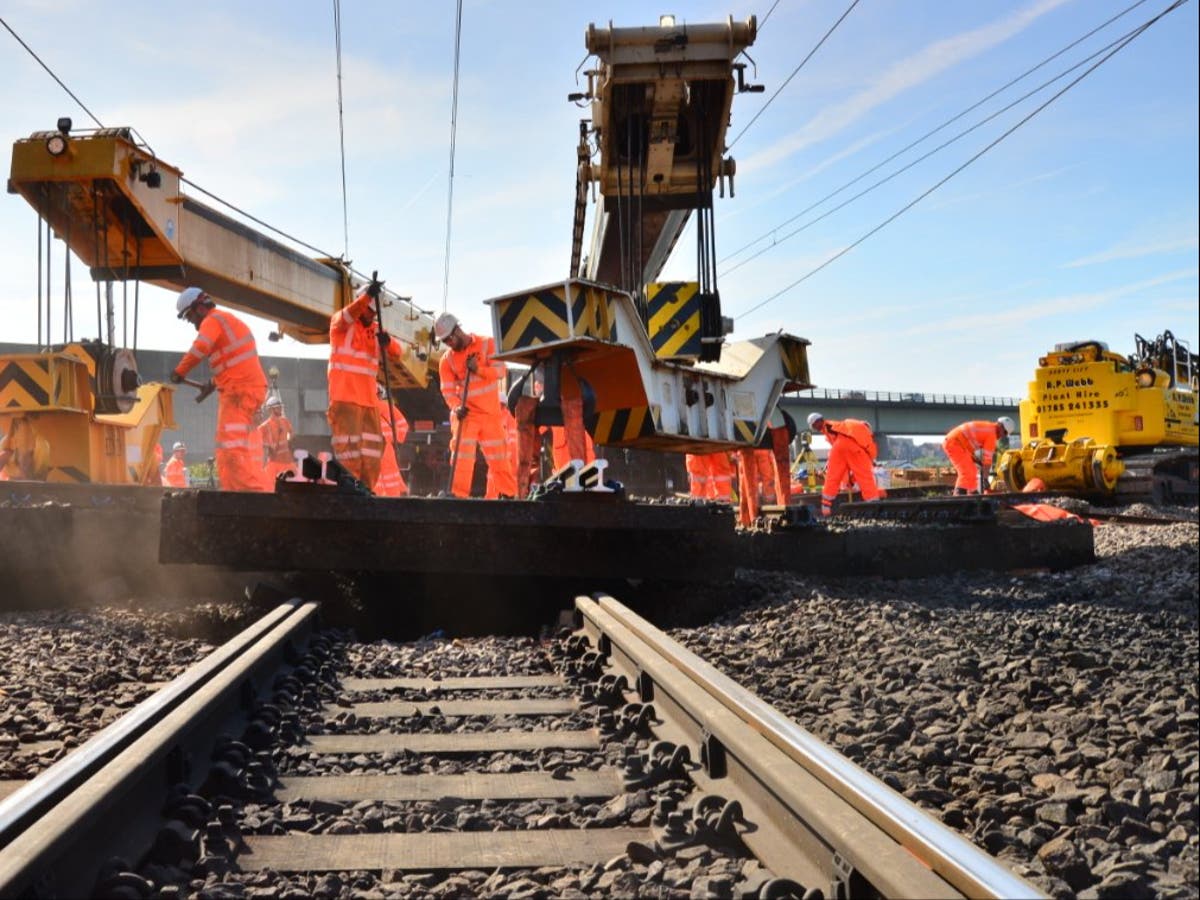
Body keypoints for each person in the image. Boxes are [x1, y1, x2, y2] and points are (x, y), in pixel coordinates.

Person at [170, 287, 269, 491]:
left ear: (198, 308)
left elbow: (201, 347)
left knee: (230, 450)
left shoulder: (212, 320)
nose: (191, 322)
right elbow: (231, 362)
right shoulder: (225, 321)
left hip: (239, 392)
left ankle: (250, 497)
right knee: (229, 450)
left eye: (189, 316)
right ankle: (237, 495)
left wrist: (180, 371)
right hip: (243, 389)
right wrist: (212, 383)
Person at [327, 283, 404, 489]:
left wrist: (387, 343)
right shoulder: (340, 325)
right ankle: (349, 491)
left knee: (372, 452)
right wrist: (367, 297)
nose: (371, 316)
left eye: (373, 312)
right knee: (349, 450)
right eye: (368, 310)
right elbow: (348, 314)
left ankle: (366, 491)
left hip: (369, 402)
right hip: (345, 398)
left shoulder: (376, 332)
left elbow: (398, 353)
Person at [435, 312, 517, 498]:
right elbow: (447, 391)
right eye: (445, 341)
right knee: (462, 458)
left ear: (457, 330)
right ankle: (458, 496)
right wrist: (456, 407)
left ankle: (508, 494)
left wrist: (478, 369)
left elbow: (500, 371)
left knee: (500, 458)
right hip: (467, 414)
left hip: (491, 415)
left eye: (449, 339)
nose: (448, 343)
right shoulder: (446, 361)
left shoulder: (487, 343)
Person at [808, 412, 880, 517]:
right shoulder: (839, 427)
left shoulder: (832, 427)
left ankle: (825, 507)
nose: (816, 428)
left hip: (838, 450)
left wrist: (848, 479)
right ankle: (874, 505)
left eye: (815, 426)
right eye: (815, 426)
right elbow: (867, 450)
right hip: (851, 449)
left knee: (832, 478)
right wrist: (870, 459)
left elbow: (841, 457)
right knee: (865, 477)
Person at [943, 416, 1015, 495]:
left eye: (1005, 435)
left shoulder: (989, 428)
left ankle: (973, 494)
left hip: (958, 443)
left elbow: (969, 440)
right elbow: (987, 460)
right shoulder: (991, 434)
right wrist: (985, 479)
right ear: (1000, 426)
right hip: (955, 443)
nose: (1002, 436)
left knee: (972, 470)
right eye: (1004, 433)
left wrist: (974, 458)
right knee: (966, 472)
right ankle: (959, 498)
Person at [375, 384, 410, 497]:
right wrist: (395, 438)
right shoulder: (387, 407)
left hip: (370, 448)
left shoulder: (363, 409)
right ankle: (393, 499)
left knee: (375, 476)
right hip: (386, 448)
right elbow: (403, 425)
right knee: (390, 476)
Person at [259, 395, 294, 484]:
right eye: (277, 408)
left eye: (280, 407)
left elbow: (291, 436)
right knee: (270, 487)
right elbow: (263, 450)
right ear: (271, 410)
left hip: (287, 462)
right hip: (273, 463)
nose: (280, 409)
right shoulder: (264, 427)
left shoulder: (285, 422)